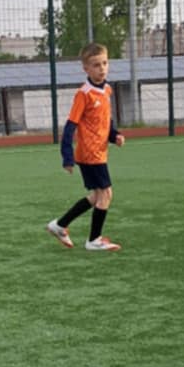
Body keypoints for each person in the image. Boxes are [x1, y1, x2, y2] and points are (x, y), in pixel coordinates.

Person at [47, 43, 124, 251]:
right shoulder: (84, 94)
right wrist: (67, 156)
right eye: (96, 65)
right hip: (90, 154)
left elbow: (105, 121)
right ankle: (94, 240)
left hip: (99, 152)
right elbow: (70, 127)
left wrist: (114, 135)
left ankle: (59, 225)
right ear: (86, 69)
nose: (102, 69)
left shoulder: (106, 90)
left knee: (97, 196)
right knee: (106, 194)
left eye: (105, 63)